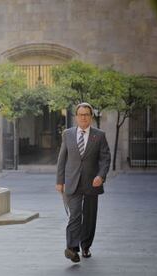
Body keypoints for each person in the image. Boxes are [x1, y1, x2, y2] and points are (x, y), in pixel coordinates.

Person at [56, 102, 111, 263]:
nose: (83, 117)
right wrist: (59, 181)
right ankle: (72, 249)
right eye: (80, 114)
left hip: (92, 183)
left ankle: (85, 246)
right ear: (76, 117)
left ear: (91, 117)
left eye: (86, 114)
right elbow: (62, 159)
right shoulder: (67, 134)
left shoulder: (99, 135)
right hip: (72, 182)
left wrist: (101, 176)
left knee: (89, 217)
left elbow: (105, 159)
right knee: (74, 215)